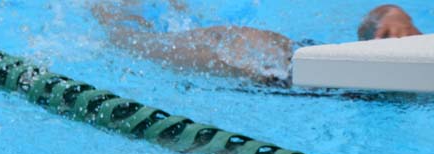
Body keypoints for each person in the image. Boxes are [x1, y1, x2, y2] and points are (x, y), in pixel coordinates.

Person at [92, 1, 423, 87]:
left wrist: (391, 14)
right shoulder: (409, 60)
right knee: (137, 43)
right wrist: (391, 15)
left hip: (283, 70)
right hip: (276, 65)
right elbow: (370, 26)